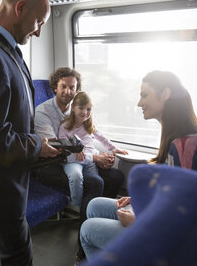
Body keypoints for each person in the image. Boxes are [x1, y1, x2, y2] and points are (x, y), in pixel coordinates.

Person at [0, 0, 60, 266]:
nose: (38, 31)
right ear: (20, 8)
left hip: (1, 184)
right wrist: (37, 145)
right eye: (38, 22)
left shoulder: (8, 51)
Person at [80, 70, 197, 260]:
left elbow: (186, 217)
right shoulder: (173, 140)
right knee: (94, 205)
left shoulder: (186, 147)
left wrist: (137, 222)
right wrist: (138, 198)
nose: (139, 103)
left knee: (87, 230)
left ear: (165, 94)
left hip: (173, 238)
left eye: (145, 95)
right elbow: (173, 194)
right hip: (164, 217)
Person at [34, 67, 125, 264]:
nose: (68, 91)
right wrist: (95, 158)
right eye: (63, 87)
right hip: (51, 165)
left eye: (72, 87)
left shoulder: (76, 109)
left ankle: (98, 227)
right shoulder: (43, 112)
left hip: (79, 159)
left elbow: (90, 135)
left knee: (117, 177)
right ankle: (83, 249)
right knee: (95, 183)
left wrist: (107, 152)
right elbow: (57, 151)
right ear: (54, 88)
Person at [58, 91, 128, 207]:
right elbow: (64, 150)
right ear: (73, 108)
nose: (85, 113)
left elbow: (102, 138)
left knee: (97, 181)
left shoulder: (88, 125)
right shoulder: (65, 127)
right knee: (76, 176)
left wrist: (114, 148)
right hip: (74, 160)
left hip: (89, 160)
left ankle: (98, 208)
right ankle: (77, 204)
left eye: (88, 109)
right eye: (81, 108)